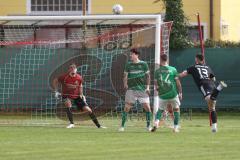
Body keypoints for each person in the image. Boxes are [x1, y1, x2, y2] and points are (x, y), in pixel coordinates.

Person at [179, 54, 227, 133]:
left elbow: (182, 74)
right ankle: (214, 127)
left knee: (209, 100)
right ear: (203, 60)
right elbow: (213, 79)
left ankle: (219, 88)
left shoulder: (193, 67)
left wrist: (174, 76)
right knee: (212, 107)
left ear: (196, 59)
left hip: (204, 85)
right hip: (212, 85)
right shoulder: (208, 67)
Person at [53, 63, 105, 129]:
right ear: (69, 70)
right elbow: (55, 80)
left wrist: (82, 94)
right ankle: (71, 123)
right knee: (68, 104)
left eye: (74, 69)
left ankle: (99, 126)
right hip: (66, 95)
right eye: (71, 69)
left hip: (76, 96)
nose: (73, 71)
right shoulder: (64, 77)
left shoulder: (79, 77)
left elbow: (80, 85)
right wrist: (56, 91)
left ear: (76, 70)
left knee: (89, 110)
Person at [119, 49, 152, 132]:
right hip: (131, 90)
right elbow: (125, 76)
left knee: (148, 108)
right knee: (126, 108)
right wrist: (125, 84)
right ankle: (122, 126)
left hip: (142, 90)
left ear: (137, 55)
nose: (131, 56)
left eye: (132, 54)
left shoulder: (144, 64)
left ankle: (148, 126)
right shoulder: (128, 65)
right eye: (130, 54)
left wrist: (147, 87)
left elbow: (148, 76)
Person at [151, 54, 182, 133]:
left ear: (161, 60)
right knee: (176, 110)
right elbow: (178, 82)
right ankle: (175, 128)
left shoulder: (157, 71)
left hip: (163, 94)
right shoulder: (173, 69)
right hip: (173, 93)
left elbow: (155, 84)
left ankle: (156, 122)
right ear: (167, 60)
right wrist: (180, 92)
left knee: (160, 110)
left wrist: (158, 89)